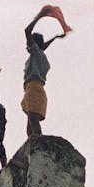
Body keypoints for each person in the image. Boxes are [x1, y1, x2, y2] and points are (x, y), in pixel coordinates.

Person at [21, 9, 66, 137]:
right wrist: (55, 38)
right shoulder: (40, 56)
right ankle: (33, 144)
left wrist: (39, 16)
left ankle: (38, 144)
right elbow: (43, 47)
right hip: (35, 89)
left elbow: (26, 31)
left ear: (33, 44)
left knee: (33, 121)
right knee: (31, 124)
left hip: (33, 89)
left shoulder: (36, 53)